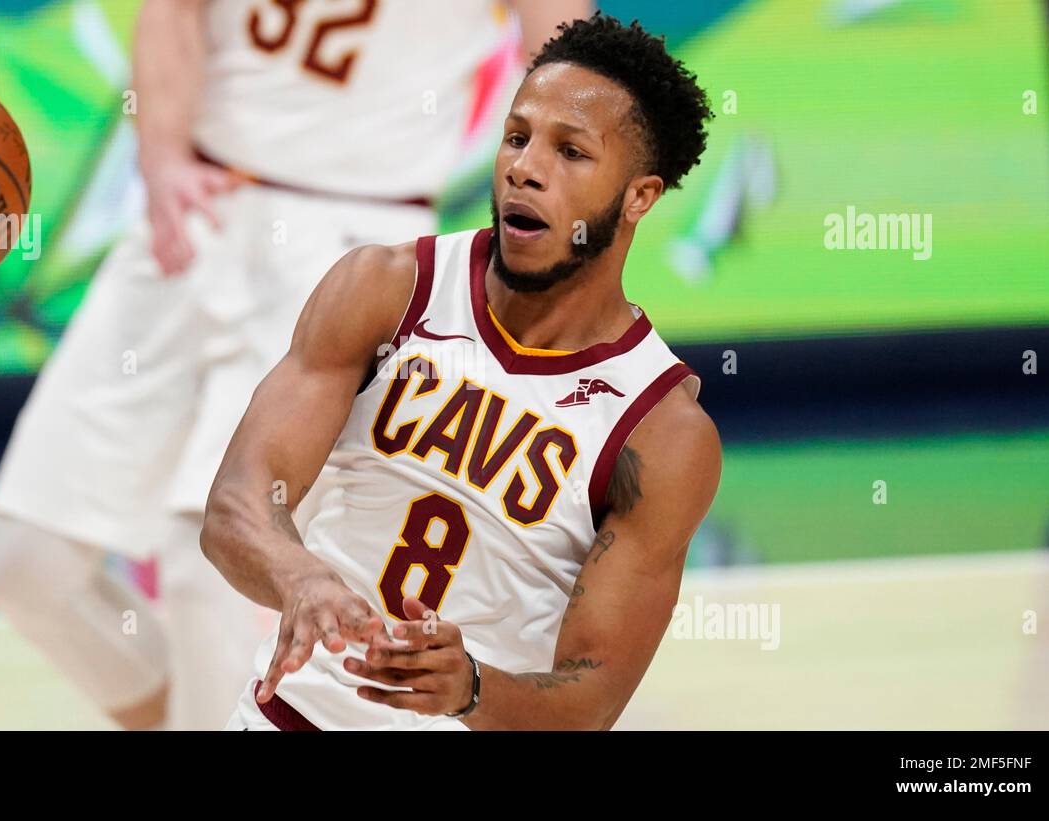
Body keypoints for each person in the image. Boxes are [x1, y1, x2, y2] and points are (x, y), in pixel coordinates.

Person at [0, 0, 589, 730]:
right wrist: (163, 158)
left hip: (355, 240)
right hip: (194, 208)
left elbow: (557, 64)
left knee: (207, 569)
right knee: (26, 566)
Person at [205, 14, 722, 731]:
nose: (524, 166)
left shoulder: (662, 430)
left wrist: (472, 686)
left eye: (570, 150)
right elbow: (235, 506)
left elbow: (589, 699)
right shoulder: (385, 288)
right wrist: (301, 578)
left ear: (639, 196)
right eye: (517, 136)